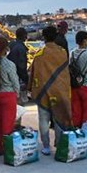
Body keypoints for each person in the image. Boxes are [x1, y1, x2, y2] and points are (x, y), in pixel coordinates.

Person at [29, 25, 70, 156]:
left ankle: (46, 146)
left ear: (44, 37)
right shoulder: (63, 52)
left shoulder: (40, 54)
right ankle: (58, 143)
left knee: (43, 119)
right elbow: (65, 72)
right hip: (59, 90)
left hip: (43, 91)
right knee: (58, 117)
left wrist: (30, 87)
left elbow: (33, 72)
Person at [0, 37, 19, 156]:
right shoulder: (9, 64)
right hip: (7, 95)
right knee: (8, 123)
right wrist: (17, 94)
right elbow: (15, 82)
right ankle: (7, 148)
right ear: (6, 48)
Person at [7, 27, 29, 105]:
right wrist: (26, 80)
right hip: (17, 78)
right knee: (19, 105)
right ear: (24, 36)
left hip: (8, 78)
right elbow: (21, 67)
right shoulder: (21, 48)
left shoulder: (11, 44)